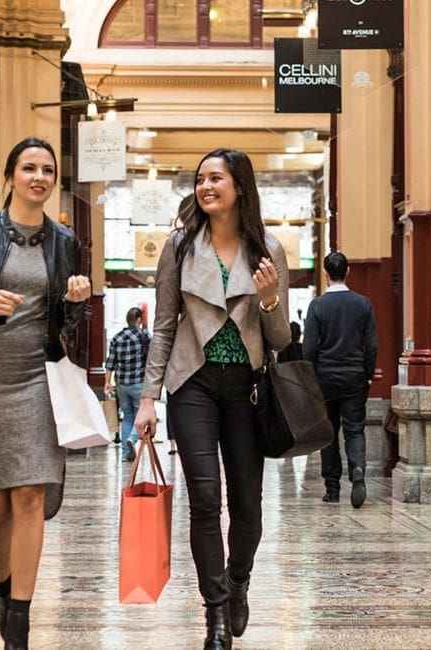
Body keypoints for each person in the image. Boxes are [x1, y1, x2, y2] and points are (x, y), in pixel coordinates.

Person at [135, 148, 290, 649]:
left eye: (216, 178)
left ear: (239, 186)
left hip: (246, 389)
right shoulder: (179, 247)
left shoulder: (267, 249)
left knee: (248, 506)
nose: (205, 186)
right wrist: (148, 398)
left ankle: (238, 580)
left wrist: (269, 299)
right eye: (200, 178)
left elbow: (281, 339)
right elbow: (163, 328)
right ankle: (216, 611)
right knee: (204, 500)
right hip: (193, 383)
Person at [0, 136, 92, 650]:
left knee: (30, 494)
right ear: (10, 176)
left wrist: (77, 302)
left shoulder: (64, 241)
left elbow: (67, 322)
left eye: (48, 170)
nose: (39, 177)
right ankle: (2, 592)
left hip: (39, 376)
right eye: (29, 168)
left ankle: (20, 625)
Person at [303, 251, 378, 509]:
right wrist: (368, 374)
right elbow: (372, 345)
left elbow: (309, 348)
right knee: (354, 428)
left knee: (329, 432)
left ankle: (332, 488)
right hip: (355, 375)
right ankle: (357, 467)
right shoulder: (363, 304)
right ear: (347, 272)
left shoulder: (317, 306)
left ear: (326, 275)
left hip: (325, 377)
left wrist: (312, 375)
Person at [104, 306, 150, 462]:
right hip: (139, 383)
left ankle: (125, 453)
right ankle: (133, 438)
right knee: (140, 415)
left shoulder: (117, 338)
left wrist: (107, 382)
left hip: (122, 385)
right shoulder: (144, 336)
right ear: (138, 320)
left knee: (127, 416)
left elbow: (110, 363)